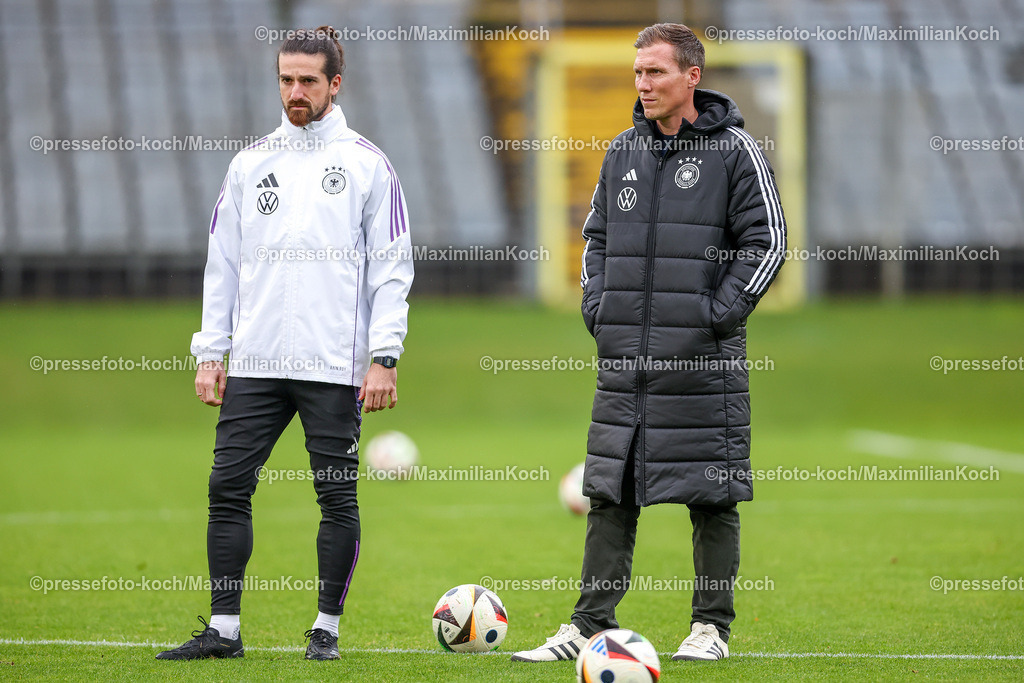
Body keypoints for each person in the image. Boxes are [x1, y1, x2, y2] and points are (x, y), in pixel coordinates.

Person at [512, 23, 785, 663]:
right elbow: (596, 239)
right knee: (609, 493)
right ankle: (586, 626)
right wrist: (599, 311)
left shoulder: (736, 152)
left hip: (703, 362)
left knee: (711, 495)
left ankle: (710, 629)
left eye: (656, 72)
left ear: (693, 75)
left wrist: (716, 315)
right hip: (625, 363)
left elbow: (767, 241)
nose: (643, 84)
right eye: (638, 73)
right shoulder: (622, 152)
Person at [157, 26, 413, 662]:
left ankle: (325, 627)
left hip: (333, 363)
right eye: (286, 79)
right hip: (257, 360)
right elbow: (223, 265)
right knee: (227, 486)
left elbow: (391, 268)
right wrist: (210, 352)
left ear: (335, 84)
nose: (295, 92)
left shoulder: (367, 165)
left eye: (307, 80)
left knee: (335, 496)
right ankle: (224, 630)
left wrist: (384, 357)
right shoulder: (250, 165)